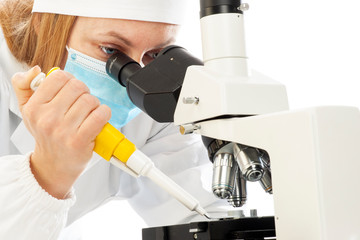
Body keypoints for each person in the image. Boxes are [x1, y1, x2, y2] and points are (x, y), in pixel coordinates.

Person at [0, 0, 226, 239]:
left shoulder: (153, 103)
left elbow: (199, 213)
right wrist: (48, 174)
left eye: (154, 55)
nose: (136, 80)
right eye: (110, 50)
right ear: (44, 24)